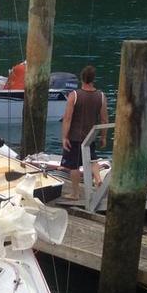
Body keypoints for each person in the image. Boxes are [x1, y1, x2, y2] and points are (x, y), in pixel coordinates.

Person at [60, 65, 109, 200]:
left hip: (75, 137)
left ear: (82, 78)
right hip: (91, 136)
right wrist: (103, 137)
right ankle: (98, 179)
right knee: (92, 160)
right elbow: (104, 119)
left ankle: (75, 193)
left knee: (74, 165)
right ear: (94, 79)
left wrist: (64, 136)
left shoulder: (74, 95)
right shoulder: (101, 96)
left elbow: (67, 118)